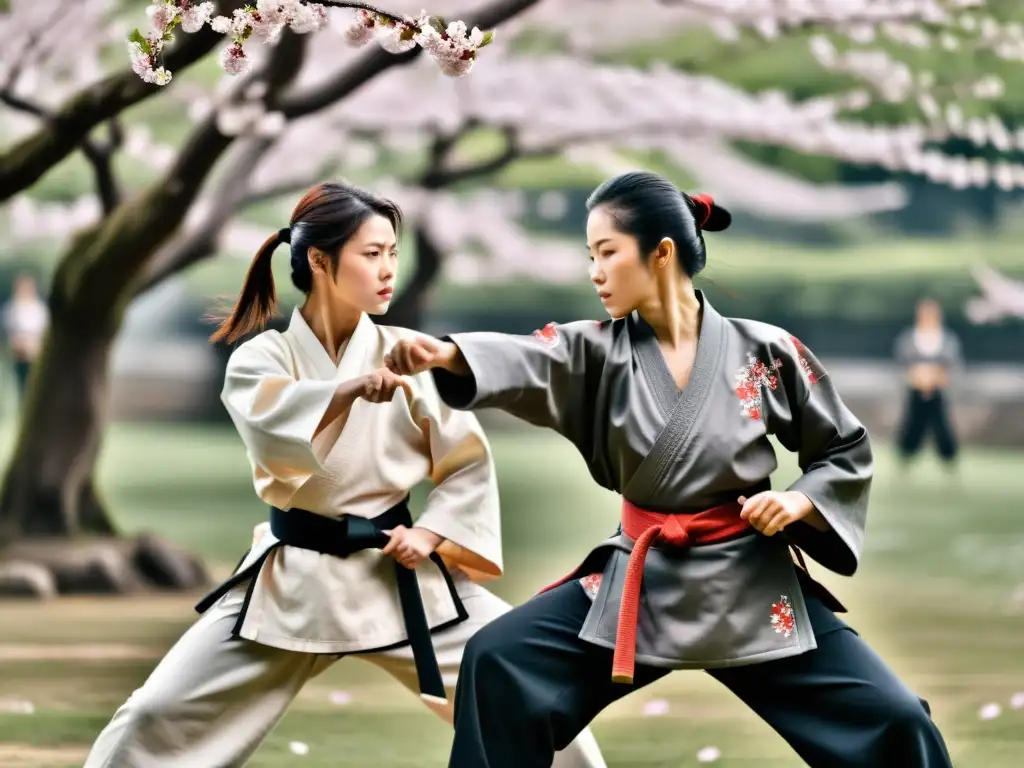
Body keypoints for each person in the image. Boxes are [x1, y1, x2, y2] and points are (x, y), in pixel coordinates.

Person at [385, 171, 954, 768]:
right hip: (642, 581)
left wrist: (799, 502)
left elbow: (843, 448)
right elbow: (533, 358)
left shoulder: (766, 351)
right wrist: (447, 353)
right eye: (590, 256)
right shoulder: (595, 351)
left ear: (661, 253)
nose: (595, 271)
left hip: (751, 585)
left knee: (897, 722)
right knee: (499, 660)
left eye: (607, 253)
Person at [82, 182, 606, 768]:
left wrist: (429, 534)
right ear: (319, 260)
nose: (388, 271)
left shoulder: (411, 353)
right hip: (292, 577)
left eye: (392, 253)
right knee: (153, 715)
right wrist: (351, 389)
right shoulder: (263, 359)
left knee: (530, 697)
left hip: (400, 575)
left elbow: (465, 465)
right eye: (371, 253)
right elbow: (276, 433)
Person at [893, 298, 962, 468]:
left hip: (938, 392)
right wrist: (916, 377)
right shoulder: (908, 339)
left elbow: (954, 367)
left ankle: (949, 459)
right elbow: (901, 366)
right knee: (912, 426)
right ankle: (905, 457)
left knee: (942, 428)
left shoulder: (948, 340)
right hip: (915, 391)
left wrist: (937, 378)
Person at [2, 273, 48, 406]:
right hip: (19, 354)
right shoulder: (12, 309)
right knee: (22, 386)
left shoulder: (38, 309)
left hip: (35, 353)